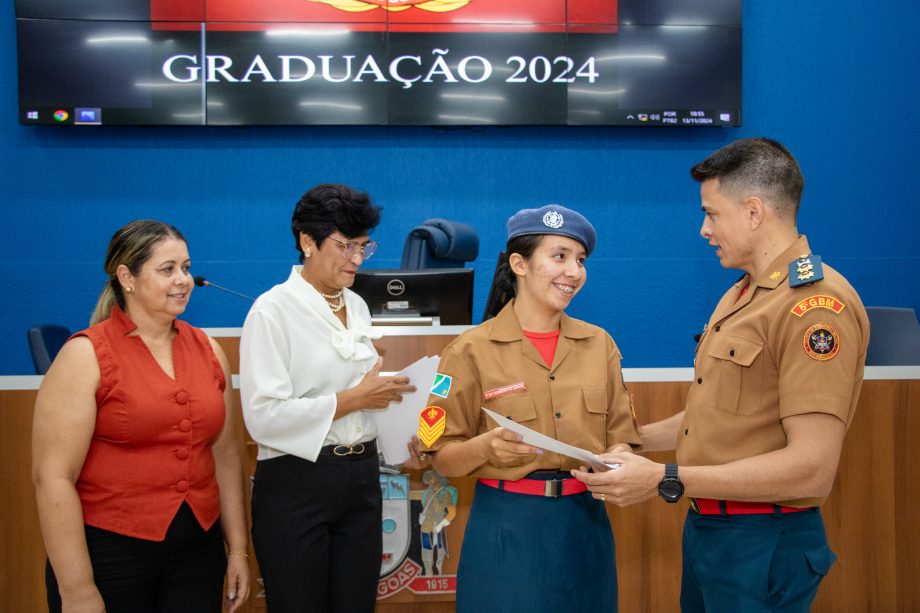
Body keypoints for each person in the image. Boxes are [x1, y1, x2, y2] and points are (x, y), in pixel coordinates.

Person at [573, 138, 870, 612]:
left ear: (753, 212)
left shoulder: (814, 306)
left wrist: (664, 478)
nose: (704, 229)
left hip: (763, 541)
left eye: (711, 213)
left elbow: (813, 470)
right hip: (711, 531)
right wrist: (628, 442)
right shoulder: (741, 295)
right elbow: (711, 416)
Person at [422, 204, 642, 613]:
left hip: (586, 523)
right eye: (559, 257)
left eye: (580, 260)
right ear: (519, 264)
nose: (574, 272)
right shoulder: (467, 351)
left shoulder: (601, 346)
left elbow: (623, 438)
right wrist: (485, 449)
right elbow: (440, 458)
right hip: (507, 526)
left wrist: (620, 459)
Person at [32, 220, 251, 613]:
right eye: (167, 269)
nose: (183, 279)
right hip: (109, 555)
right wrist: (78, 589)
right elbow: (52, 478)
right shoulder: (84, 355)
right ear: (126, 277)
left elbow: (227, 455)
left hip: (198, 557)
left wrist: (237, 549)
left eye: (186, 267)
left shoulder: (209, 351)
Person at [239, 183, 423, 612]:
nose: (356, 259)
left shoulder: (357, 305)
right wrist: (355, 397)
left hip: (360, 477)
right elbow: (263, 418)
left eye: (363, 246)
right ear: (307, 241)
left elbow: (361, 400)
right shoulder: (272, 311)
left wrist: (395, 426)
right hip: (295, 482)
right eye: (344, 246)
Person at [418, 470, 458, 576]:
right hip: (426, 528)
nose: (430, 480)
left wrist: (440, 525)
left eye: (432, 478)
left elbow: (452, 512)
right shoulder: (427, 493)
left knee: (439, 560)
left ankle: (438, 576)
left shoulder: (444, 493)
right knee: (427, 558)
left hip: (438, 527)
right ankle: (428, 576)